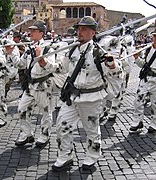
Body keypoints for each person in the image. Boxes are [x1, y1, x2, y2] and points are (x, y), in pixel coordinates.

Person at [51, 16, 123, 172]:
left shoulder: (99, 53)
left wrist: (113, 65)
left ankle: (91, 157)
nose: (80, 32)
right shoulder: (72, 49)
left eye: (84, 29)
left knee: (91, 130)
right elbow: (62, 68)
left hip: (91, 99)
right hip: (72, 97)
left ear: (93, 32)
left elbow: (117, 75)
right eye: (79, 28)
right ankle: (65, 157)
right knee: (62, 126)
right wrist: (46, 64)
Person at [15, 20, 67, 147]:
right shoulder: (29, 48)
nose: (31, 32)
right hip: (30, 85)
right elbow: (21, 64)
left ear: (41, 33)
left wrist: (41, 59)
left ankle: (45, 134)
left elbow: (51, 67)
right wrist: (11, 53)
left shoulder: (49, 48)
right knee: (22, 109)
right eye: (31, 30)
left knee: (45, 112)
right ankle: (27, 134)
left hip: (43, 85)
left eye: (34, 30)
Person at [129, 29, 156, 133]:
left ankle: (154, 123)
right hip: (146, 79)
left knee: (155, 103)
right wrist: (136, 58)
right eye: (154, 36)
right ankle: (137, 121)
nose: (155, 39)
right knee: (138, 100)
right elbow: (144, 65)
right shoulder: (149, 49)